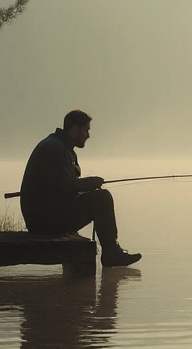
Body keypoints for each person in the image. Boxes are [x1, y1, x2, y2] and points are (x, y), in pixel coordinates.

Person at [20, 110, 141, 267]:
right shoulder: (54, 150)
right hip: (44, 221)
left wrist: (87, 187)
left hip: (47, 215)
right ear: (75, 130)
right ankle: (112, 254)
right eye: (86, 130)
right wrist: (90, 183)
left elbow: (63, 188)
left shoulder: (61, 147)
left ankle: (112, 252)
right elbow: (64, 187)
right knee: (102, 198)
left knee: (98, 195)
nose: (88, 135)